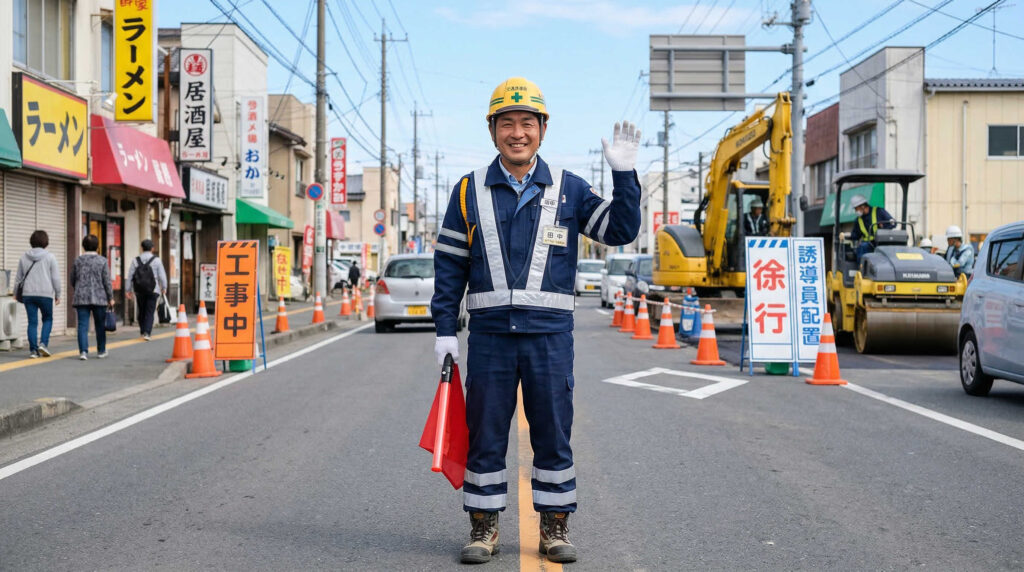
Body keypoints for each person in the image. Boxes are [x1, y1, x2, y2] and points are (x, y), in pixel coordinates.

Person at [431, 77, 641, 564]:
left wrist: (624, 175)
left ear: (543, 130)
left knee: (552, 433)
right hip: (490, 338)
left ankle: (554, 526)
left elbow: (620, 230)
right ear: (492, 131)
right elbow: (450, 265)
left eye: (527, 122)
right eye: (507, 123)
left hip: (549, 338)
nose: (517, 133)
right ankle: (483, 527)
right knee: (485, 434)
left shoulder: (570, 189)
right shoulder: (467, 191)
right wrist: (444, 329)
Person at [14, 230, 61, 358]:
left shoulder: (24, 257)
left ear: (31, 241)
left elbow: (18, 278)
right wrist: (58, 294)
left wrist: (15, 293)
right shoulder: (50, 257)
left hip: (28, 294)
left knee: (32, 322)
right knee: (47, 319)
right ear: (46, 242)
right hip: (45, 294)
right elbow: (56, 278)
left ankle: (33, 351)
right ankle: (43, 344)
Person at [70, 234, 114, 360]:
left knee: (82, 325)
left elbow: (72, 279)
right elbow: (107, 281)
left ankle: (83, 352)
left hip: (81, 297)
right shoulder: (102, 261)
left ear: (83, 246)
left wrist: (78, 288)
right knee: (100, 325)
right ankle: (101, 351)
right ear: (97, 247)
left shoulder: (78, 261)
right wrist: (110, 297)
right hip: (99, 298)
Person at [126, 239, 167, 341]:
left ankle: (142, 330)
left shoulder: (135, 260)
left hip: (139, 290)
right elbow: (162, 275)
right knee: (150, 311)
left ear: (141, 248)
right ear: (152, 248)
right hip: (153, 289)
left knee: (141, 310)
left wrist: (128, 290)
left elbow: (130, 275)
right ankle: (147, 332)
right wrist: (164, 287)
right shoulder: (156, 260)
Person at [849, 194, 895, 261]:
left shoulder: (879, 212)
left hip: (881, 243)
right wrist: (848, 235)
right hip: (868, 245)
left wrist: (883, 228)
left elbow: (893, 223)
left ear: (862, 206)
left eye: (856, 209)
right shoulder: (858, 220)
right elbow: (855, 235)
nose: (856, 211)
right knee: (862, 247)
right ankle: (862, 266)